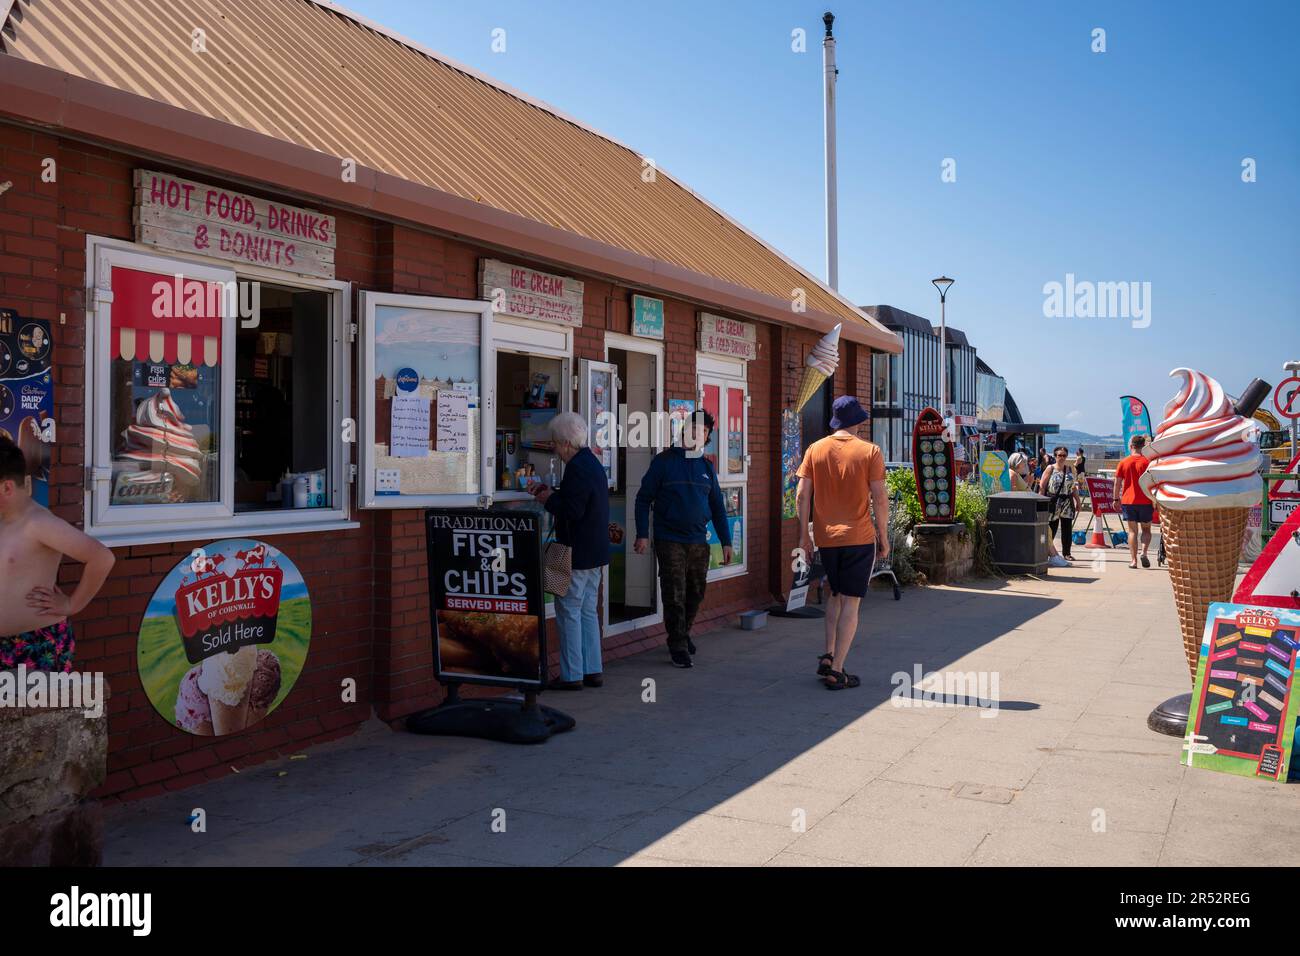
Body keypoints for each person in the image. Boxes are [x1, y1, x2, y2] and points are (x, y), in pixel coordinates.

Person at [795, 396, 889, 690]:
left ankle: (828, 654)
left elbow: (801, 495)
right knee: (852, 601)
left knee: (834, 593)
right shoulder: (870, 451)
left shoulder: (815, 450)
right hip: (858, 538)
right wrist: (883, 535)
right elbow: (880, 497)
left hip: (825, 538)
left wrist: (803, 536)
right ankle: (837, 670)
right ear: (858, 422)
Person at [0, 436, 115, 672]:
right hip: (6, 649)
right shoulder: (4, 520)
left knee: (40, 709)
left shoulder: (39, 523)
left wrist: (72, 604)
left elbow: (101, 558)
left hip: (34, 647)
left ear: (7, 487)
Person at [634, 410, 731, 669]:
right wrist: (642, 534)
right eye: (695, 428)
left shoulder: (706, 467)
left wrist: (727, 541)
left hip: (699, 539)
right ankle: (677, 643)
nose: (699, 434)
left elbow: (718, 508)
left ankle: (683, 632)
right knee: (674, 592)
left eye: (705, 431)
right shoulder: (664, 462)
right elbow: (643, 499)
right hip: (669, 538)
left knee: (696, 592)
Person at [528, 412, 609, 689]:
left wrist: (547, 499)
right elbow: (581, 503)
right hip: (594, 552)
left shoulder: (576, 468)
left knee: (568, 611)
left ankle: (572, 675)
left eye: (554, 442)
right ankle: (592, 670)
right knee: (587, 610)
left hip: (575, 553)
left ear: (565, 443)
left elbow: (572, 510)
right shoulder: (593, 464)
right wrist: (552, 494)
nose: (553, 447)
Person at [1113, 434, 1154, 569]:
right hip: (1146, 500)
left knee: (1132, 531)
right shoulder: (1148, 462)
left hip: (1129, 501)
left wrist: (1115, 499)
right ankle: (1144, 552)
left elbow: (1117, 483)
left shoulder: (1124, 462)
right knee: (1146, 529)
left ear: (1131, 446)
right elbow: (1154, 482)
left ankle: (1133, 561)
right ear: (1143, 447)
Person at [1038, 446, 1081, 561]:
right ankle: (1046, 552)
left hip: (1067, 502)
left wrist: (1078, 501)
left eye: (1064, 455)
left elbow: (1073, 487)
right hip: (1053, 502)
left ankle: (1067, 553)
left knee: (1067, 529)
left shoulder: (1069, 469)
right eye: (1059, 455)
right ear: (1055, 456)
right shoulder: (1050, 468)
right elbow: (1042, 486)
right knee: (1051, 528)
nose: (1062, 457)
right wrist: (1041, 502)